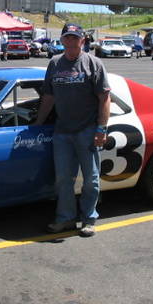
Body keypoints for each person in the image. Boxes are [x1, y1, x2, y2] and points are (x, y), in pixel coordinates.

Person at [34, 23, 111, 237]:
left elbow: (104, 98)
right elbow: (48, 97)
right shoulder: (54, 63)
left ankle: (89, 218)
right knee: (63, 179)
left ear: (82, 41)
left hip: (87, 130)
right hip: (62, 132)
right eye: (67, 37)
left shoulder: (93, 63)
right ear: (61, 40)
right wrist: (38, 123)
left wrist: (101, 129)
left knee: (91, 179)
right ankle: (65, 218)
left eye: (75, 38)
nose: (71, 41)